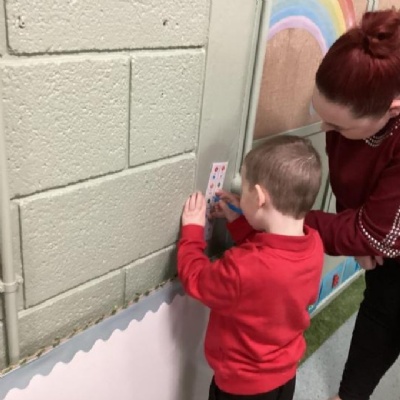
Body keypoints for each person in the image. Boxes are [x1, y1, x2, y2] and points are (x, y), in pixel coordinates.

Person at [178, 135, 324, 400]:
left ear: (258, 197)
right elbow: (272, 262)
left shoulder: (243, 268)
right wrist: (240, 221)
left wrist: (192, 232)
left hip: (242, 388)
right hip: (285, 377)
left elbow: (196, 279)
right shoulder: (313, 244)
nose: (240, 193)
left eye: (243, 188)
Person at [305, 8, 400, 400]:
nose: (325, 130)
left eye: (338, 126)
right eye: (323, 116)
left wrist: (288, 218)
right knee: (381, 310)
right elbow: (358, 208)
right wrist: (358, 236)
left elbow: (373, 232)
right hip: (385, 254)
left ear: (392, 110)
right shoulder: (350, 123)